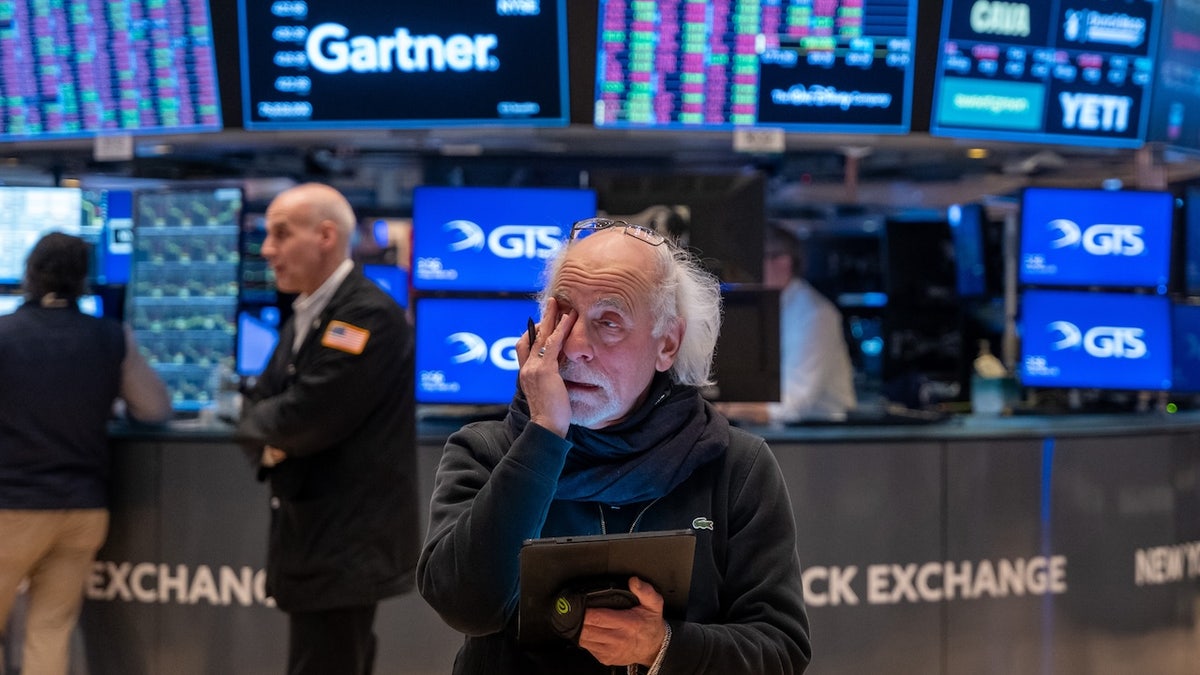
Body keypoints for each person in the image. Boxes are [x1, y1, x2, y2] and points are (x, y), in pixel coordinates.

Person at [418, 217, 811, 674]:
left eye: (609, 321)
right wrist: (543, 434)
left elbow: (780, 650)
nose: (575, 346)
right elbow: (466, 606)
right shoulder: (487, 450)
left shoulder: (735, 466)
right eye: (563, 316)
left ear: (667, 344)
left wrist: (662, 646)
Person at [235, 183, 419, 675]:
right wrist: (267, 441)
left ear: (325, 235)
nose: (267, 250)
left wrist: (273, 438)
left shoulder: (366, 315)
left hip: (346, 547)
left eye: (280, 234)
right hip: (313, 540)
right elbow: (257, 406)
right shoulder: (307, 311)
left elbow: (304, 417)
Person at [0, 232, 171, 675]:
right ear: (85, 281)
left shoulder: (4, 335)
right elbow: (154, 409)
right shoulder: (110, 338)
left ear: (29, 275)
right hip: (82, 511)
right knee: (51, 630)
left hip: (11, 507)